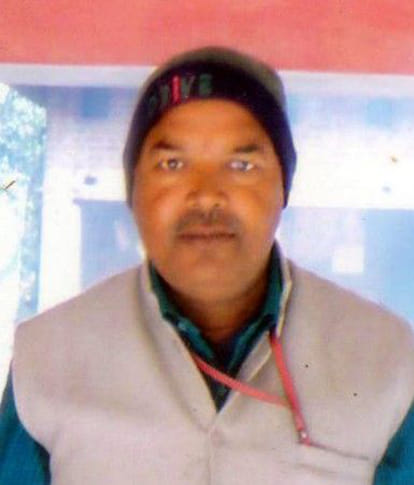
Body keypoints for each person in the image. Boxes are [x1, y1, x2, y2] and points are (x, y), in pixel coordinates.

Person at [1, 46, 414, 485]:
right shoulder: (48, 356)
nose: (206, 195)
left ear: (284, 187)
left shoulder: (386, 360)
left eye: (241, 164)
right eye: (172, 163)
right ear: (133, 189)